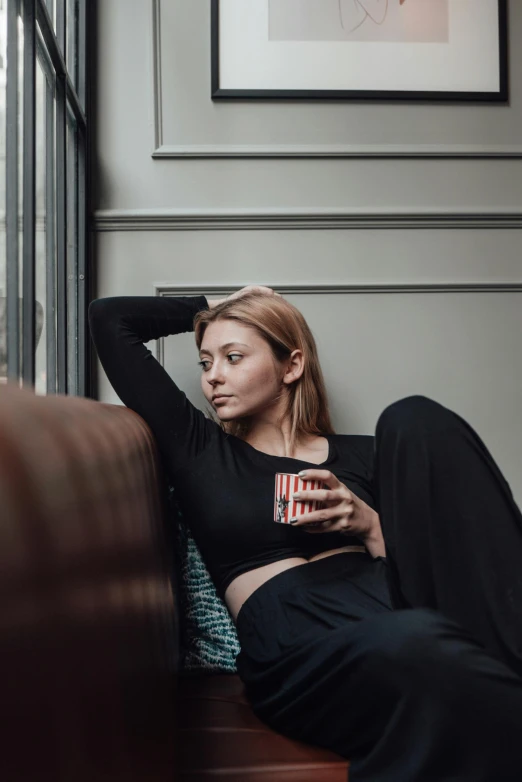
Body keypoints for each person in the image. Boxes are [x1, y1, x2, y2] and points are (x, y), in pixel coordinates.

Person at [89, 285, 522, 781]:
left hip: (393, 600)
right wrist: (209, 308)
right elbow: (109, 320)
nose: (213, 378)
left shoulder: (367, 455)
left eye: (233, 358)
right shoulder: (202, 451)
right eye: (205, 362)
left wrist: (367, 524)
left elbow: (428, 561)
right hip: (299, 634)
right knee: (420, 642)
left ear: (291, 366)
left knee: (415, 417)